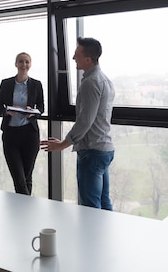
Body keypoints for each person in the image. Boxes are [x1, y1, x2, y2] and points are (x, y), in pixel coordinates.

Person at [40, 37, 115, 210]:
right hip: (104, 149)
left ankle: (92, 237)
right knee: (103, 202)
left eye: (76, 55)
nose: (74, 59)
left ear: (88, 59)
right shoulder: (105, 80)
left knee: (89, 207)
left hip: (92, 151)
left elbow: (85, 121)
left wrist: (62, 144)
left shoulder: (91, 83)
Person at [0, 52, 45, 195]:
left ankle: (24, 211)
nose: (24, 65)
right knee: (19, 178)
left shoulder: (36, 84)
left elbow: (41, 108)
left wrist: (33, 111)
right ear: (16, 64)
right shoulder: (6, 84)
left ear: (30, 64)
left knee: (27, 178)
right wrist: (7, 111)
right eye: (21, 61)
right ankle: (25, 209)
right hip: (11, 134)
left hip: (29, 134)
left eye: (27, 62)